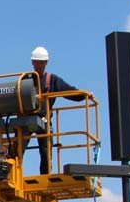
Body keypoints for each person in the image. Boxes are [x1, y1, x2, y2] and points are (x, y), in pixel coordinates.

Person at [26, 46, 88, 175]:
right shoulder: (25, 80)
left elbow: (69, 91)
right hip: (26, 119)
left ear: (46, 63)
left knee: (46, 150)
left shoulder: (52, 80)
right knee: (16, 148)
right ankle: (9, 173)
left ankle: (46, 175)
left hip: (43, 120)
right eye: (36, 62)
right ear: (32, 62)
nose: (38, 65)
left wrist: (84, 95)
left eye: (41, 62)